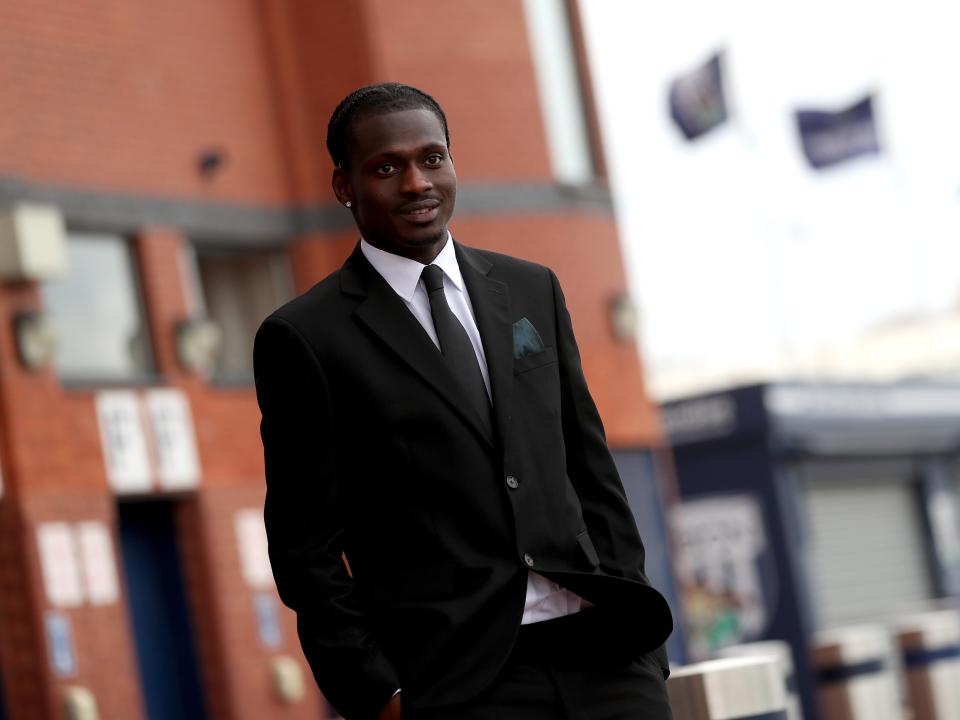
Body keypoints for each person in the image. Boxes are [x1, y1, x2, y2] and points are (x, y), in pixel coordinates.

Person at [254, 82, 673, 720]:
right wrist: (376, 691)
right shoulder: (306, 338)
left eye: (433, 158)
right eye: (386, 168)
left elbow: (591, 470)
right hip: (456, 681)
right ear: (344, 185)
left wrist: (639, 629)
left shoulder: (532, 289)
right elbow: (302, 545)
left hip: (604, 658)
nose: (417, 182)